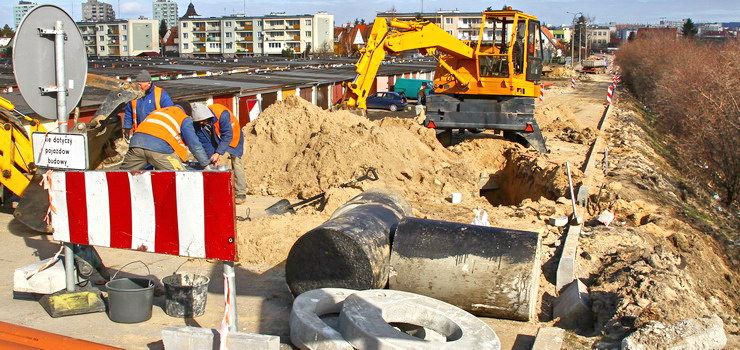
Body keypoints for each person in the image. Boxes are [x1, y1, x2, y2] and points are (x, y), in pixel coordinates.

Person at [119, 101, 211, 171]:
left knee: (121, 177)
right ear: (188, 113)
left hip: (136, 145)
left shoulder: (157, 112)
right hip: (160, 150)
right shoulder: (183, 117)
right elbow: (194, 144)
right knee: (180, 177)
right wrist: (206, 165)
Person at [191, 103, 247, 204]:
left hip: (233, 135)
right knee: (214, 163)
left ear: (208, 116)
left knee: (236, 161)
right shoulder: (198, 123)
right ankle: (219, 190)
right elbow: (205, 142)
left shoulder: (222, 114)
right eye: (199, 122)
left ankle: (241, 193)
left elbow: (227, 135)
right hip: (217, 135)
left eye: (203, 121)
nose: (201, 123)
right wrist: (211, 157)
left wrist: (218, 153)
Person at [123, 70, 174, 140]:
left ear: (149, 83)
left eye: (140, 85)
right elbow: (129, 112)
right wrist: (127, 127)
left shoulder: (161, 94)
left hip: (157, 133)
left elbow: (170, 112)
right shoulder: (134, 95)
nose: (138, 87)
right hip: (139, 132)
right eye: (137, 84)